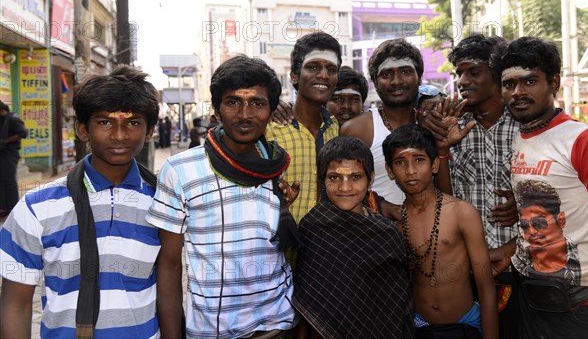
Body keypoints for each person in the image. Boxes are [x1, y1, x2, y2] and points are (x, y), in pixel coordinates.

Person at [0, 65, 160, 338]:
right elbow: (15, 304)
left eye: (133, 122)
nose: (119, 135)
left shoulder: (164, 202)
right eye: (104, 122)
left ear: (149, 131)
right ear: (83, 129)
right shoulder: (37, 207)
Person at [147, 55, 300, 338]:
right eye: (233, 102)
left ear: (270, 109)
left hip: (280, 325)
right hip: (213, 331)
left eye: (257, 103)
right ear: (216, 109)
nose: (245, 114)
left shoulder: (276, 165)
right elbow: (168, 264)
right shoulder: (180, 170)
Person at [490, 36, 588, 339]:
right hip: (532, 294)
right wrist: (510, 253)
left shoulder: (584, 140)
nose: (517, 92)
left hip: (582, 299)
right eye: (509, 84)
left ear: (554, 83)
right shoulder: (519, 137)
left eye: (529, 81)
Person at [419, 34, 519, 339]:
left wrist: (523, 203)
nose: (463, 80)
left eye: (473, 72)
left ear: (497, 75)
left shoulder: (524, 124)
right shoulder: (453, 125)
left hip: (521, 265)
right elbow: (447, 199)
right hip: (467, 271)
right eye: (459, 73)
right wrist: (443, 149)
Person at [383, 124, 498, 339]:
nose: (410, 171)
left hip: (465, 323)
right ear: (390, 171)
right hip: (419, 326)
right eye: (400, 162)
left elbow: (485, 285)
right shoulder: (395, 222)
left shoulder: (461, 213)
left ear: (435, 164)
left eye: (419, 160)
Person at [293, 136, 415, 338]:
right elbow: (308, 302)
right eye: (334, 177)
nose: (345, 187)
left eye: (356, 177)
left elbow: (396, 298)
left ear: (371, 178)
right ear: (322, 180)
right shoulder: (313, 226)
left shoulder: (386, 233)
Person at [266, 31, 341, 228]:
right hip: (278, 247)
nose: (323, 75)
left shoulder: (334, 126)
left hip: (325, 247)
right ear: (294, 76)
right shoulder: (271, 126)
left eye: (331, 69)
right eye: (313, 67)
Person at [341, 38, 424, 206]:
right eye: (386, 74)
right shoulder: (358, 129)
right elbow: (343, 189)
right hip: (372, 230)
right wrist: (380, 206)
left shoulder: (431, 122)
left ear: (419, 78)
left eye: (405, 72)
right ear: (375, 83)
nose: (396, 81)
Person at [515, 180, 581, 280]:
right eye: (524, 225)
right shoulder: (520, 261)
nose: (531, 231)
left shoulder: (584, 260)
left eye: (539, 223)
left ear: (561, 220)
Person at [0, 100, 28, 219]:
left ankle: (13, 209)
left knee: (9, 180)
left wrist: (6, 141)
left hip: (10, 153)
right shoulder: (3, 120)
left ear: (2, 111)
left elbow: (23, 133)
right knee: (2, 181)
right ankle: (3, 208)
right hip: (2, 153)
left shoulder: (13, 118)